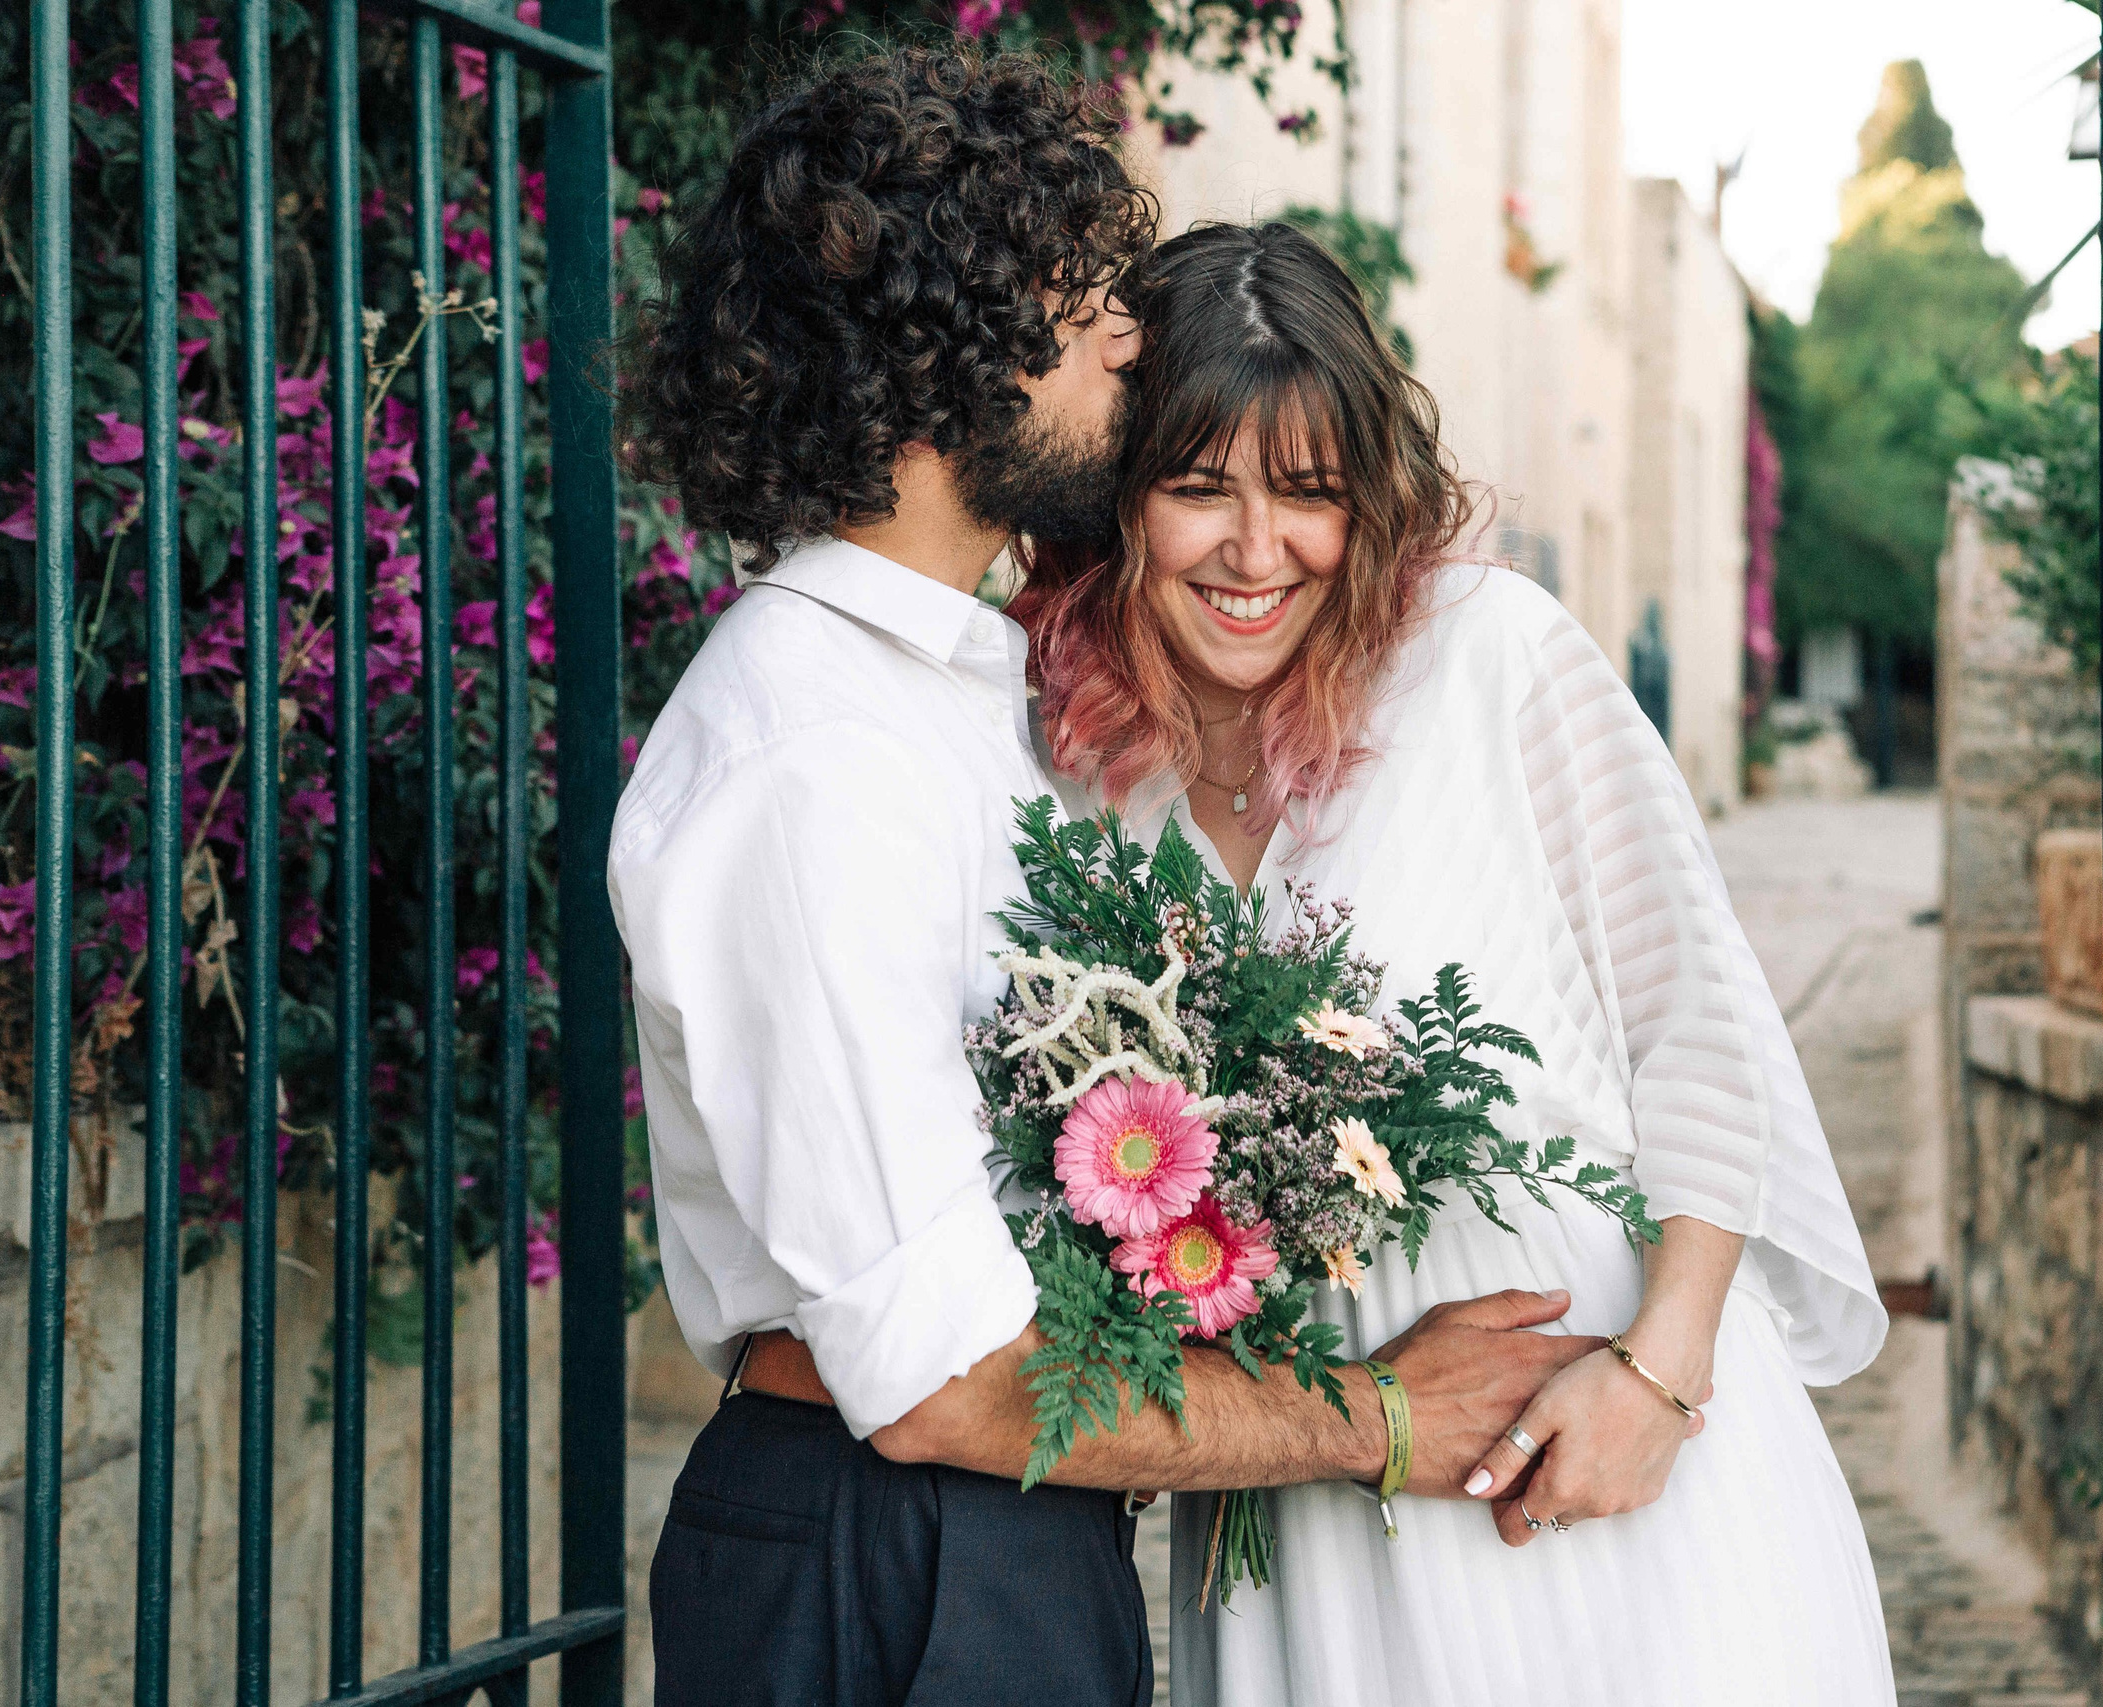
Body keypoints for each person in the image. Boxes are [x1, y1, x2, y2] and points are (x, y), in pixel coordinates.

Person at [611, 49, 1603, 1707]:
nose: (1128, 347)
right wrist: (1382, 1419)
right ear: (951, 356)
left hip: (999, 1531)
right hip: (891, 1549)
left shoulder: (952, 695)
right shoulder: (809, 755)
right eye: (1085, 315)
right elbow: (938, 1377)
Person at [1015, 220, 1900, 1706]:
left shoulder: (1492, 656)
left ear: (1369, 501)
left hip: (1603, 1457)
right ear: (1118, 498)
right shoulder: (1075, 774)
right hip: (1314, 1502)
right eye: (1198, 488)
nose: (1255, 551)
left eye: (1309, 493)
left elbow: (1701, 1029)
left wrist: (1660, 1377)